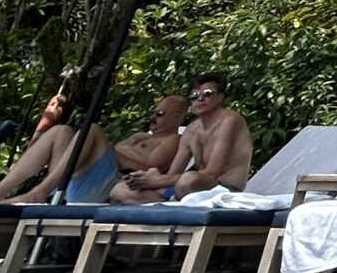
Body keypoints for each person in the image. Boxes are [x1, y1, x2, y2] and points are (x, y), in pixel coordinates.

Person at [105, 75, 250, 206]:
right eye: (195, 95)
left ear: (220, 97)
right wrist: (147, 179)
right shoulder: (191, 131)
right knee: (119, 190)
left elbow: (212, 173)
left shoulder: (230, 120)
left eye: (207, 93)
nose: (200, 98)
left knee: (189, 180)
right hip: (188, 192)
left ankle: (172, 203)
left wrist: (158, 180)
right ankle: (170, 205)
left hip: (224, 189)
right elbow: (172, 175)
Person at [0, 84, 110, 204]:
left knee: (92, 130)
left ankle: (39, 193)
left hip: (107, 187)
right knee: (61, 131)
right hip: (71, 185)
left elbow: (131, 164)